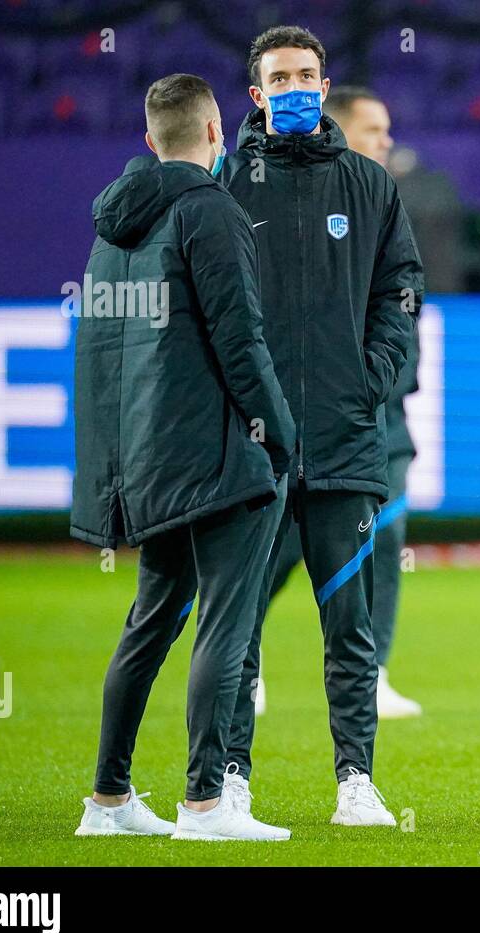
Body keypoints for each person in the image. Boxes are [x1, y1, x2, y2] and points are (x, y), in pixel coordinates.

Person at [71, 73, 296, 841]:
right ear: (213, 136)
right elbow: (241, 340)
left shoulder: (110, 230)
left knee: (150, 623)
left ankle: (107, 800)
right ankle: (204, 803)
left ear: (149, 142)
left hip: (140, 454)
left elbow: (105, 350)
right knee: (226, 624)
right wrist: (280, 430)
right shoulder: (211, 211)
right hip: (215, 454)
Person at [219, 26, 423, 826]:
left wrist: (368, 377)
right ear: (257, 93)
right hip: (250, 447)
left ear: (322, 80)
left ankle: (355, 782)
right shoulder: (227, 182)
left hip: (344, 442)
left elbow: (400, 291)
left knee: (351, 627)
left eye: (309, 74)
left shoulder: (370, 187)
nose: (297, 86)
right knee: (236, 629)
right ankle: (228, 777)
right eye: (282, 77)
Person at [256, 86, 424, 721]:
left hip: (381, 414)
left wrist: (384, 382)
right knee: (280, 543)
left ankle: (373, 672)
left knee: (382, 537)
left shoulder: (383, 203)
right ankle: (245, 657)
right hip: (315, 413)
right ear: (343, 132)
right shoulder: (300, 204)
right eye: (374, 130)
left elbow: (401, 300)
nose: (386, 141)